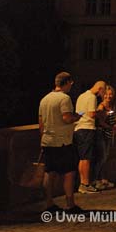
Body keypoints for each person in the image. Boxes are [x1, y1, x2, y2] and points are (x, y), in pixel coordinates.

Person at [39, 72, 83, 213]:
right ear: (67, 82)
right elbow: (66, 118)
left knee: (49, 172)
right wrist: (78, 116)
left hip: (47, 141)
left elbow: (41, 124)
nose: (71, 86)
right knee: (69, 172)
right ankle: (70, 204)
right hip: (62, 142)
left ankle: (48, 204)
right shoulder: (64, 99)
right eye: (71, 83)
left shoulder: (44, 99)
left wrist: (43, 138)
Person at [74, 80, 106, 193]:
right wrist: (100, 113)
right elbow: (92, 114)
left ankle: (83, 183)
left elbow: (80, 112)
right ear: (100, 89)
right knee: (86, 158)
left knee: (82, 158)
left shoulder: (81, 96)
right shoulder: (92, 97)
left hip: (78, 128)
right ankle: (85, 184)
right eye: (103, 91)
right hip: (87, 129)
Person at [93, 85, 116, 190]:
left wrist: (115, 126)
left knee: (105, 157)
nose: (108, 96)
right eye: (106, 94)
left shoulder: (112, 106)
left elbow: (113, 119)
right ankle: (96, 180)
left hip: (109, 134)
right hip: (101, 134)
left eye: (110, 94)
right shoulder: (101, 106)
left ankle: (103, 179)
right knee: (101, 157)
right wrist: (110, 127)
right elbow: (100, 122)